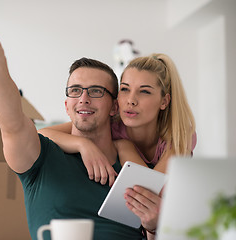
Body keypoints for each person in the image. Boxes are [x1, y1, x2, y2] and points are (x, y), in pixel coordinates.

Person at [0, 16, 159, 240]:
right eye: (75, 90)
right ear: (67, 105)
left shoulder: (131, 165)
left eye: (96, 91)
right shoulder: (42, 157)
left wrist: (154, 226)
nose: (84, 98)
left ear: (114, 107)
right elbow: (12, 123)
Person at [39, 53, 197, 236]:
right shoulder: (112, 122)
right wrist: (83, 144)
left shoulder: (178, 135)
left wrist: (124, 147)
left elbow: (150, 191)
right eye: (125, 89)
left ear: (164, 101)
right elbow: (40, 133)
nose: (131, 100)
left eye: (144, 91)